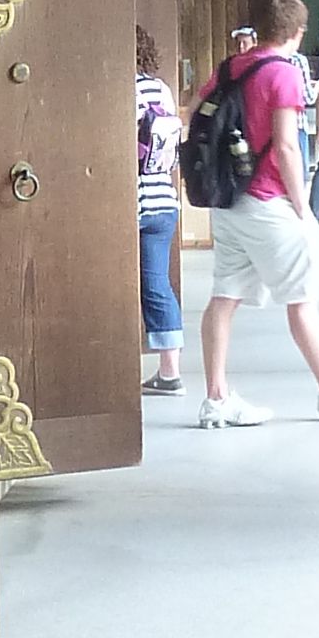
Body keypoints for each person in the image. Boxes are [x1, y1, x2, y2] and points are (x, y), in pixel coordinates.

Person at [194, 0, 319, 429]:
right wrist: (303, 206)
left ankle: (216, 397)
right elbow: (285, 144)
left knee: (223, 297)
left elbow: (195, 113)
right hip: (267, 199)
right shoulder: (282, 74)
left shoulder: (229, 67)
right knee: (301, 299)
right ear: (299, 33)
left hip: (229, 200)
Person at [134, 27, 184, 396]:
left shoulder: (123, 90)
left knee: (151, 286)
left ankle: (170, 373)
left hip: (135, 201)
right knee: (157, 284)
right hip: (164, 198)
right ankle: (169, 368)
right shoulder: (160, 88)